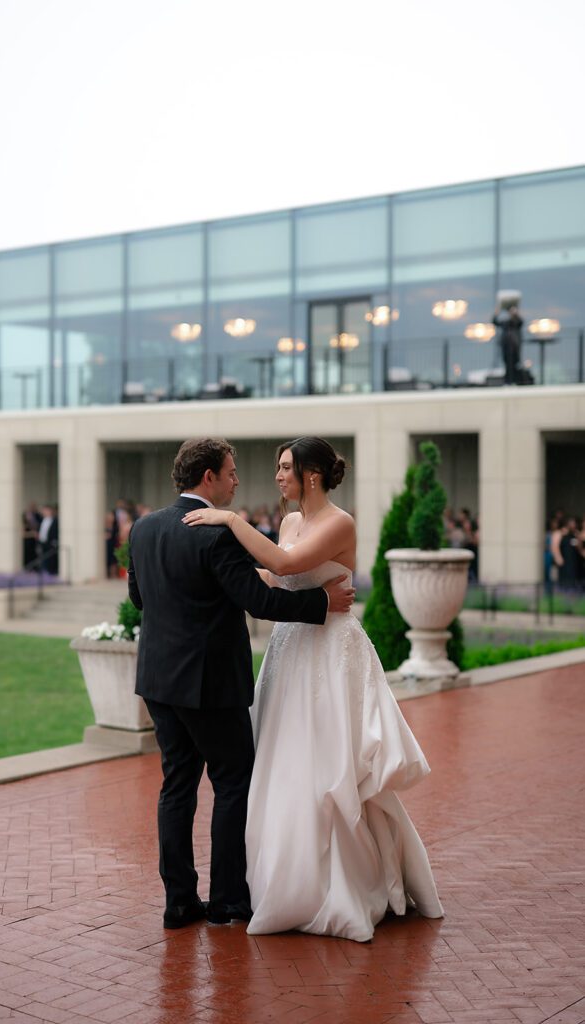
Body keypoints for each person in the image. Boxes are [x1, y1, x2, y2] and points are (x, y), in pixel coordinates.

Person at [183, 436, 443, 943]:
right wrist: (221, 578)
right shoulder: (291, 522)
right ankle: (279, 880)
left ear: (313, 475)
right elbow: (278, 579)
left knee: (330, 763)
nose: (277, 476)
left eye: (286, 467)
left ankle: (344, 887)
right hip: (291, 649)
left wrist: (232, 522)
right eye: (278, 467)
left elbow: (285, 565)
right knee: (283, 760)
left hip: (331, 653)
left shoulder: (340, 522)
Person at [128, 437, 355, 931]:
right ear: (208, 477)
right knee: (233, 783)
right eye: (230, 472)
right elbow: (261, 602)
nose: (237, 480)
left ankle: (180, 903)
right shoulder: (216, 534)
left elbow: (139, 597)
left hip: (158, 682)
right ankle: (229, 900)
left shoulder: (143, 528)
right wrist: (322, 605)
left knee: (176, 786)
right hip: (210, 685)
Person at [492, 304, 524, 385]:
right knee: (507, 364)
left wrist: (516, 314)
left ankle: (515, 380)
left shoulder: (516, 322)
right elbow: (495, 322)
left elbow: (520, 322)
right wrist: (496, 313)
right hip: (506, 347)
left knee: (514, 364)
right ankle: (508, 381)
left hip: (515, 348)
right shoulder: (505, 323)